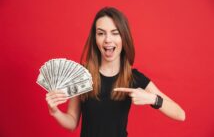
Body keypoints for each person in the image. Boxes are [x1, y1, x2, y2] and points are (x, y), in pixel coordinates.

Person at [45, 7, 185, 137]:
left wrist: (152, 98)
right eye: (101, 33)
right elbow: (72, 123)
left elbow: (180, 114)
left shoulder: (133, 78)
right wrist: (55, 112)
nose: (107, 39)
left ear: (123, 38)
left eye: (115, 33)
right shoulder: (81, 75)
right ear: (95, 39)